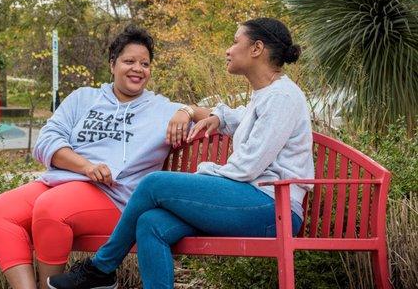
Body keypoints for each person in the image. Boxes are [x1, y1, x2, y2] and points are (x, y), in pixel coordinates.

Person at [48, 17, 315, 289]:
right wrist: (200, 114)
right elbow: (237, 117)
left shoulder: (282, 97)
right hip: (250, 203)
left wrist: (205, 171)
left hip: (273, 210)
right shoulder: (267, 95)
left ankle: (101, 267)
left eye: (235, 42)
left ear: (256, 48)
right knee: (151, 223)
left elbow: (247, 167)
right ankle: (104, 272)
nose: (229, 50)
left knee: (154, 183)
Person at [0, 25, 209, 289]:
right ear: (112, 64)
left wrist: (187, 111)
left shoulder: (160, 108)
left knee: (51, 209)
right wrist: (86, 166)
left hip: (116, 198)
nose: (138, 68)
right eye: (129, 61)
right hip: (64, 182)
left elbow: (220, 115)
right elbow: (46, 140)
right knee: (0, 211)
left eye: (145, 63)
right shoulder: (83, 98)